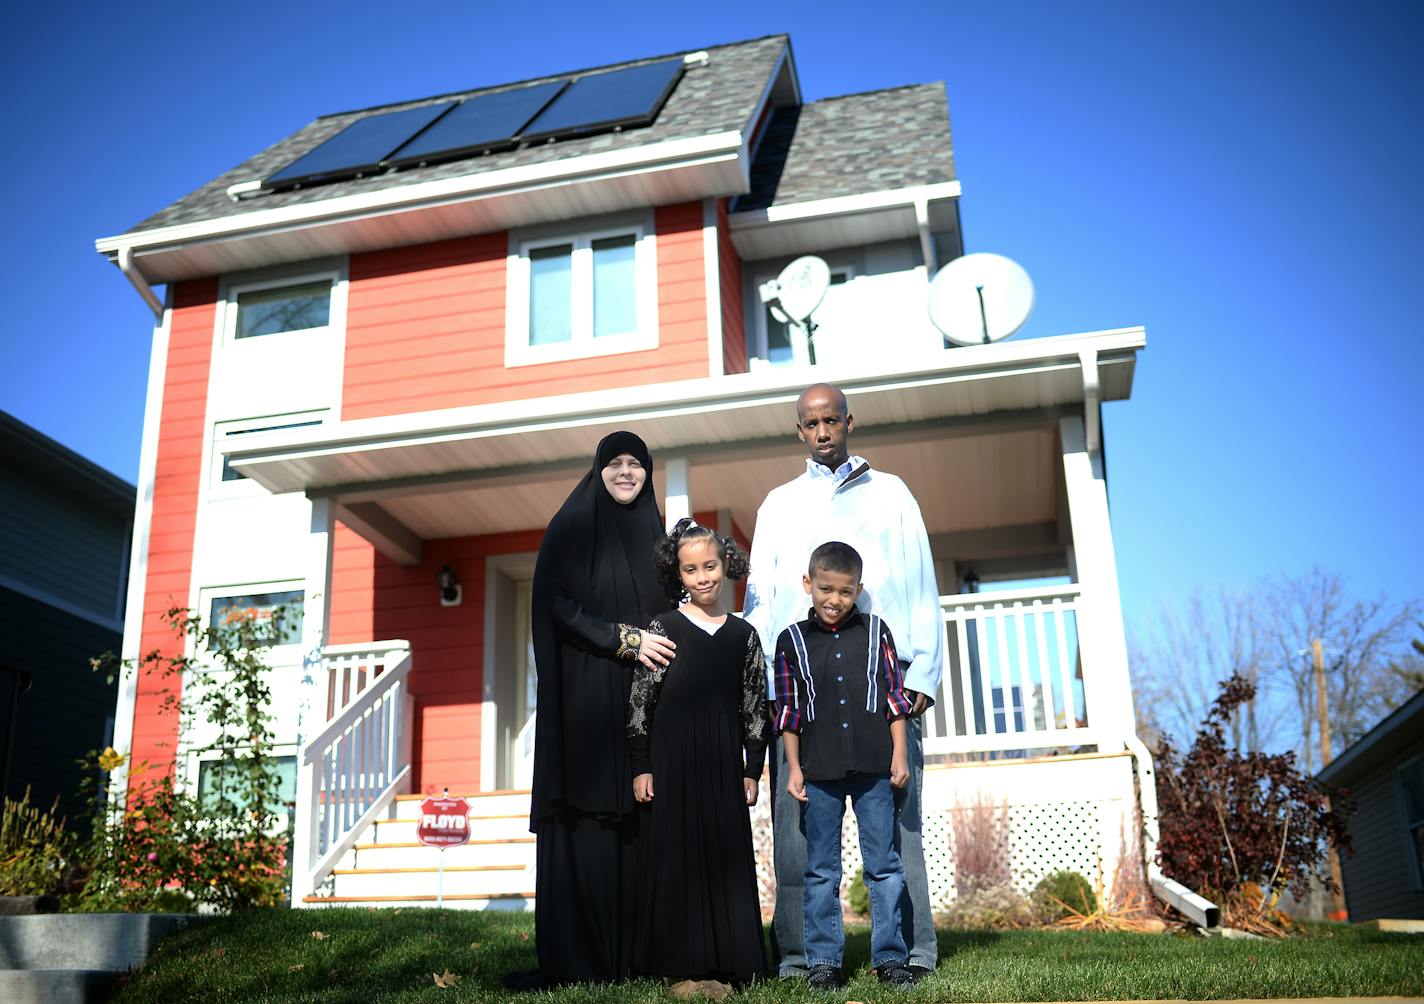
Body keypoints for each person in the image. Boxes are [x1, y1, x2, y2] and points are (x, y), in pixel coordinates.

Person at [743, 382, 943, 979]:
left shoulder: (891, 495)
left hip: (883, 691)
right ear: (799, 430)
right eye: (811, 423)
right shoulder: (778, 505)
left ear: (849, 421)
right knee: (801, 839)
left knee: (896, 834)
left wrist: (923, 673)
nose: (823, 431)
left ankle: (910, 952)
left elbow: (922, 580)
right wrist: (763, 689)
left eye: (832, 420)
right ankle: (804, 958)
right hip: (801, 699)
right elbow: (760, 600)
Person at [521, 430, 677, 987]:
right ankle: (584, 959)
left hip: (641, 703)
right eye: (617, 463)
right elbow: (556, 604)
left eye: (637, 464)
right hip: (587, 696)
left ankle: (639, 956)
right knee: (590, 819)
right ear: (599, 469)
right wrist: (623, 639)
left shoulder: (655, 533)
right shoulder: (572, 525)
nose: (627, 473)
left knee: (643, 814)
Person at [626, 518, 770, 991]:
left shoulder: (743, 636)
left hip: (723, 765)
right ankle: (680, 968)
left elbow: (754, 707)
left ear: (726, 565)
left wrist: (752, 769)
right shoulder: (663, 628)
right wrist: (640, 764)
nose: (703, 576)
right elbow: (640, 700)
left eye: (710, 565)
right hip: (670, 763)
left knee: (723, 857)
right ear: (679, 575)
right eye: (691, 570)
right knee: (678, 860)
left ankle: (730, 966)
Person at [774, 541, 917, 991]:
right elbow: (789, 713)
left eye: (845, 592)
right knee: (821, 869)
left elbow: (896, 698)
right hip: (818, 771)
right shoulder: (791, 640)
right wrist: (793, 768)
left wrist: (899, 754)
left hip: (875, 764)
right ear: (808, 584)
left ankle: (892, 957)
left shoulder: (878, 632)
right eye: (826, 589)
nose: (834, 600)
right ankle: (823, 961)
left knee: (885, 864)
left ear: (858, 590)